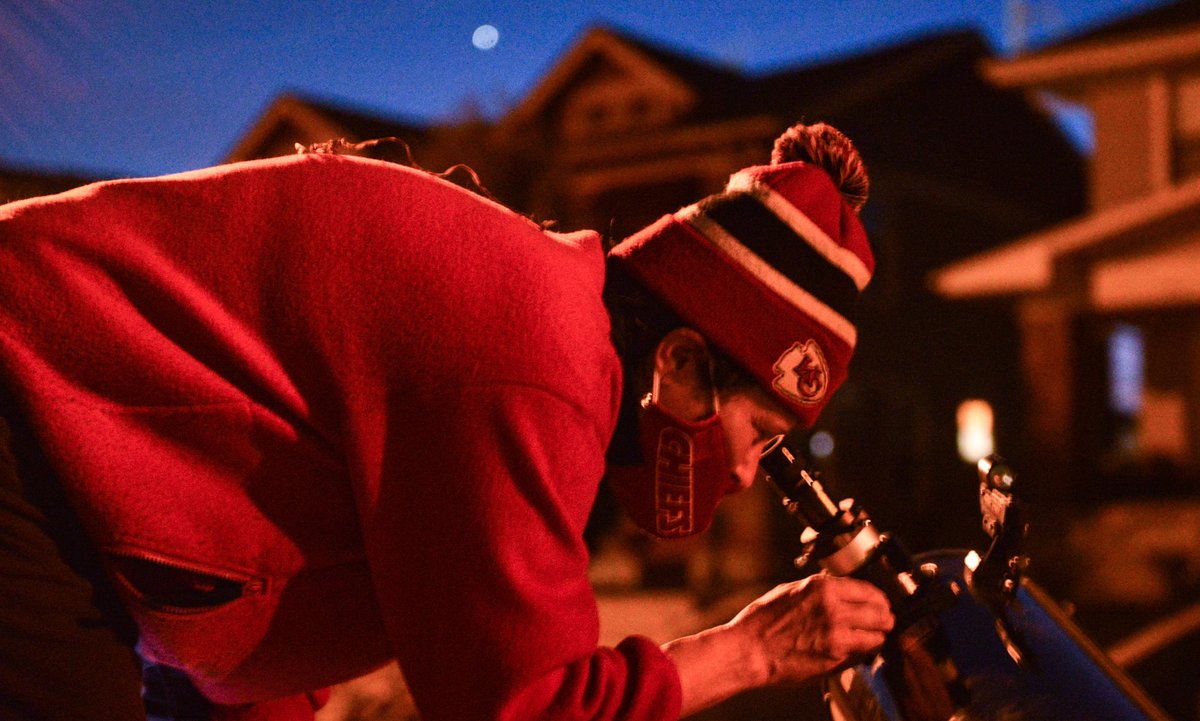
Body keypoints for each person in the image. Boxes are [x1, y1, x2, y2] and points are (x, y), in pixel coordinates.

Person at [0, 120, 893, 720]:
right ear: (684, 362)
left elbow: (291, 572)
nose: (743, 474)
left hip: (63, 464)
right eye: (760, 432)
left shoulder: (540, 319)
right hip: (27, 424)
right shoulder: (539, 362)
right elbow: (520, 706)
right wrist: (755, 651)